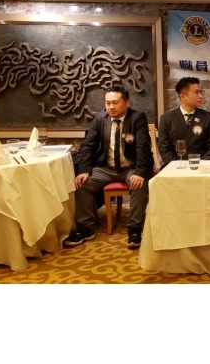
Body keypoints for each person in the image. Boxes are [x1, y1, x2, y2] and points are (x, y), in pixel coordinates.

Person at [65, 85, 153, 249]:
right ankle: (86, 227)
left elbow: (143, 148)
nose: (111, 107)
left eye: (115, 102)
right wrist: (84, 171)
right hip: (106, 168)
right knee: (82, 184)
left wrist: (140, 172)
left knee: (138, 184)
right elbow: (88, 146)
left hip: (130, 168)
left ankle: (134, 228)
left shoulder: (137, 118)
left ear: (127, 103)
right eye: (108, 103)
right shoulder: (100, 118)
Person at [158, 77, 210, 167]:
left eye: (201, 92)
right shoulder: (166, 119)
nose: (201, 96)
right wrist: (177, 166)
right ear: (183, 96)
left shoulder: (208, 117)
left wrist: (199, 165)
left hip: (200, 167)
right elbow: (164, 148)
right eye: (196, 92)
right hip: (174, 167)